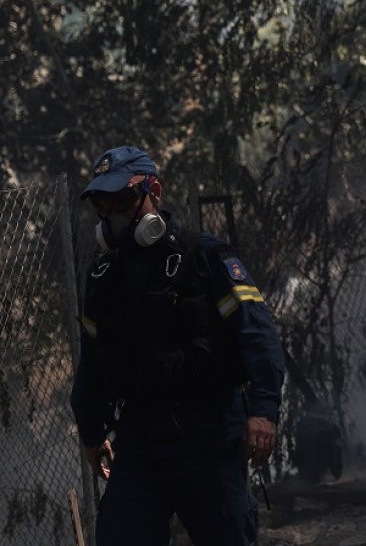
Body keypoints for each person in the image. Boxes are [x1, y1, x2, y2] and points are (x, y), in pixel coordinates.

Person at [70, 146, 285, 545]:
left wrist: (264, 411)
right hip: (140, 441)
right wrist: (90, 429)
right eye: (104, 202)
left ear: (155, 190)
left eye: (122, 198)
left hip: (210, 438)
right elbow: (93, 357)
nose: (114, 212)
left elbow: (258, 335)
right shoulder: (103, 275)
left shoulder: (206, 256)